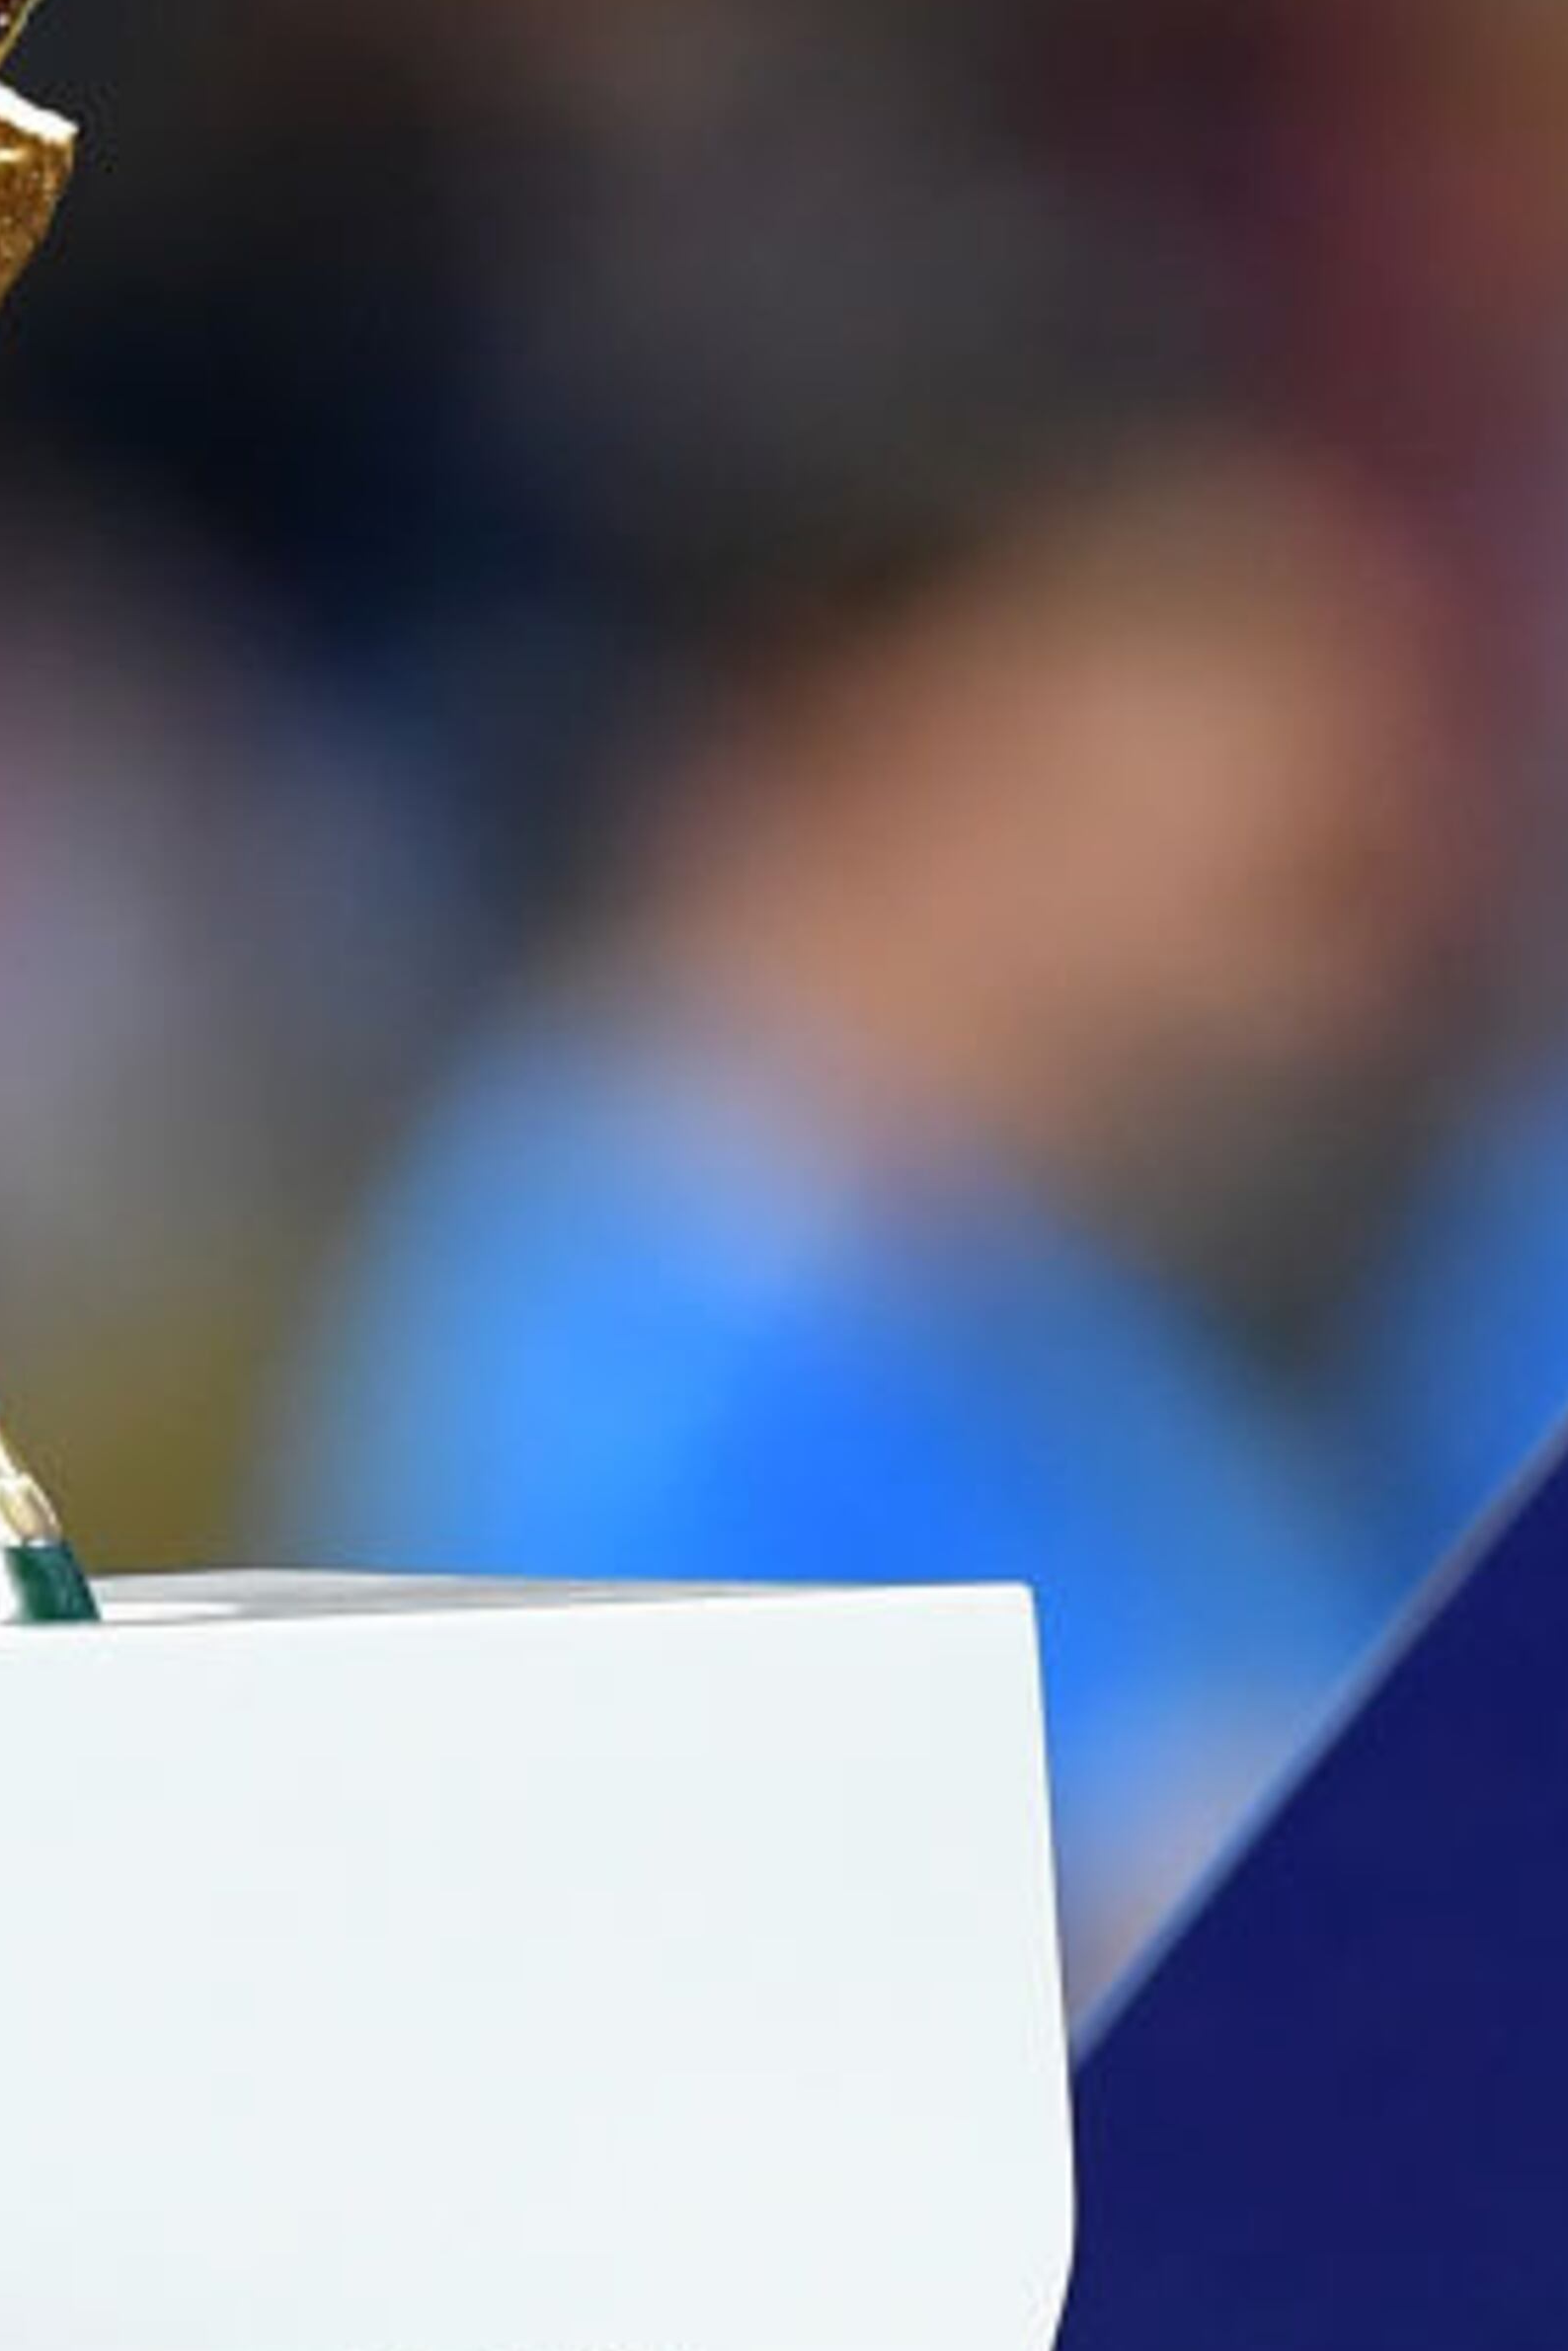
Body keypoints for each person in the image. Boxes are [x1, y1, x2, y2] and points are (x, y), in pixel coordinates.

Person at [272, 399, 1470, 1979]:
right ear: (913, 723)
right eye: (1206, 625)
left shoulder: (1047, 1293)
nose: (1355, 754)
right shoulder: (623, 1346)